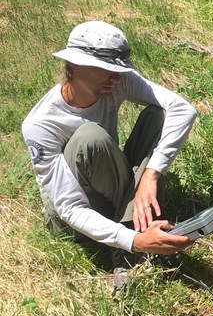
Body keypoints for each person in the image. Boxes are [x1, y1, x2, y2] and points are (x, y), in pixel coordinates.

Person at [22, 20, 198, 287]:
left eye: (119, 70)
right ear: (73, 66)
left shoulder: (117, 83)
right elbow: (69, 207)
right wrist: (136, 242)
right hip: (74, 219)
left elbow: (183, 110)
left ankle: (134, 224)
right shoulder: (40, 124)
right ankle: (128, 245)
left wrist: (151, 176)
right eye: (107, 70)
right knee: (90, 136)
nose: (116, 78)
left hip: (111, 185)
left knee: (157, 117)